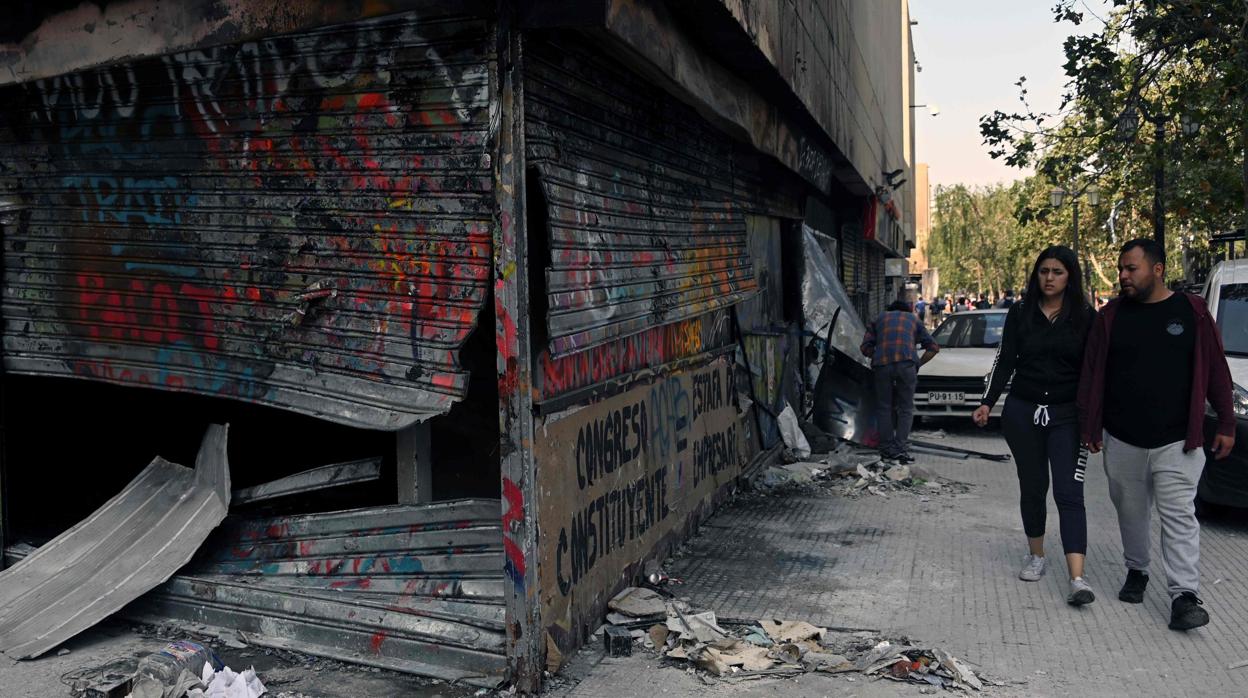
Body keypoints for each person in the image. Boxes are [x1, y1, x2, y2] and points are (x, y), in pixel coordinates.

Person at [1077, 238, 1237, 631]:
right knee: (1130, 513)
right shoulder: (1110, 316)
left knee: (1179, 515)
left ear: (1158, 269)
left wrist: (1228, 424)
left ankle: (1184, 595)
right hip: (1123, 437)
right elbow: (1092, 373)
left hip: (1178, 440)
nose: (1123, 276)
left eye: (1132, 269)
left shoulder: (1193, 312)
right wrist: (1090, 425)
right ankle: (1137, 570)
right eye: (1121, 269)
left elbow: (1217, 370)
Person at [974, 246, 1096, 605]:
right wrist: (987, 401)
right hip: (1023, 413)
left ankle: (1077, 578)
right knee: (1033, 485)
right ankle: (1036, 555)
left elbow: (1095, 372)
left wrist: (1095, 421)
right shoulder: (1021, 313)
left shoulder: (1086, 318)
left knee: (1069, 493)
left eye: (1057, 271)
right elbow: (1004, 360)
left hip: (1066, 417)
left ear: (1070, 276)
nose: (1049, 278)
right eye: (1044, 271)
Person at [860, 300, 940, 463]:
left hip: (882, 365)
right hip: (907, 365)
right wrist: (918, 363)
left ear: (890, 309)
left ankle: (887, 448)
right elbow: (933, 348)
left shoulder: (879, 319)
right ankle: (900, 448)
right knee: (905, 408)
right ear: (907, 310)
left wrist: (876, 355)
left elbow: (865, 347)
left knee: (884, 407)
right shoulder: (914, 320)